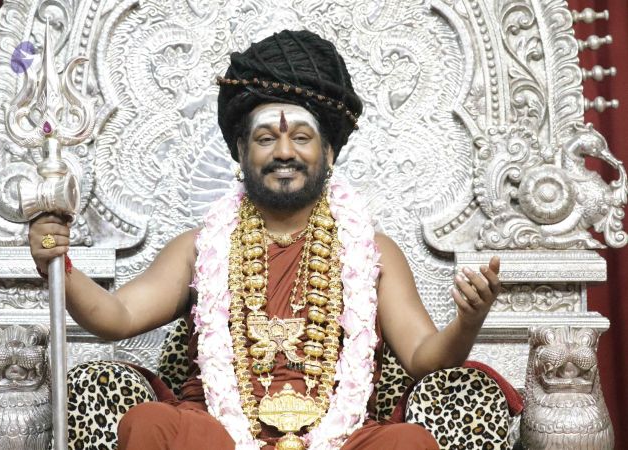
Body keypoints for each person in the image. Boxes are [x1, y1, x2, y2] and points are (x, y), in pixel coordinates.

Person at [29, 30, 501, 450]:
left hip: (340, 437)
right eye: (265, 139)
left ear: (329, 152)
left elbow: (422, 357)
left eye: (302, 137)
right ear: (241, 151)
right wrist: (57, 263)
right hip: (217, 434)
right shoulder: (199, 247)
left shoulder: (373, 252)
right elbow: (116, 317)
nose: (284, 152)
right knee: (151, 424)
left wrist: (468, 321)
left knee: (406, 443)